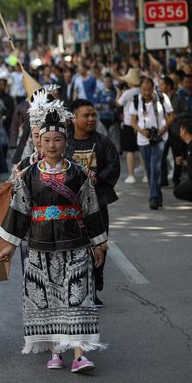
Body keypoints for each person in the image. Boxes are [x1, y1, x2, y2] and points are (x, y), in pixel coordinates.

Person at [0, 106, 107, 373]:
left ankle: (80, 354)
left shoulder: (79, 173)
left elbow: (91, 208)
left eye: (57, 140)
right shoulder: (29, 175)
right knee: (51, 297)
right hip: (40, 246)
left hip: (75, 244)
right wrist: (9, 248)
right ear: (39, 142)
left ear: (65, 142)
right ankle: (56, 350)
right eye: (46, 140)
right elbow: (19, 211)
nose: (52, 145)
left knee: (78, 297)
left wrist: (99, 242)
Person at [66, 99, 119, 306]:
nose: (91, 119)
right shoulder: (65, 142)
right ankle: (81, 288)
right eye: (86, 115)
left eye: (93, 115)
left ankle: (96, 282)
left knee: (99, 244)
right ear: (73, 118)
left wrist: (97, 179)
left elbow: (114, 166)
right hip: (71, 205)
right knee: (76, 246)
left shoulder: (104, 142)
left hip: (98, 203)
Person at [128, 77, 174, 210]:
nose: (147, 92)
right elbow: (132, 121)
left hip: (160, 137)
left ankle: (153, 198)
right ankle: (157, 197)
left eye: (149, 89)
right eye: (144, 90)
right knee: (149, 169)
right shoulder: (136, 100)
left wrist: (163, 129)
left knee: (155, 166)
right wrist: (141, 131)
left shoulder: (162, 97)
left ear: (153, 88)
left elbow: (172, 115)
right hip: (143, 139)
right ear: (140, 89)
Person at [117, 69, 145, 184]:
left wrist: (119, 92)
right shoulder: (142, 91)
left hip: (129, 123)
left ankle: (131, 175)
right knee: (142, 149)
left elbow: (118, 103)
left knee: (130, 151)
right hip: (141, 123)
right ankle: (146, 175)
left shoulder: (127, 93)